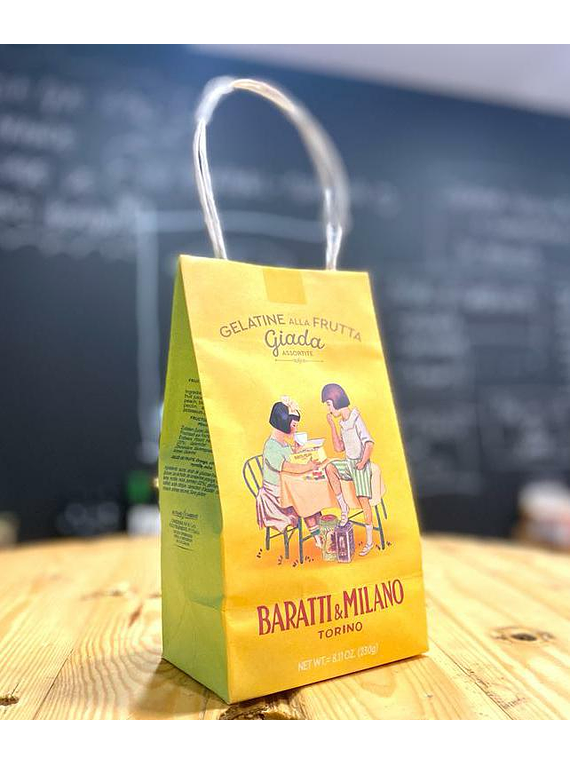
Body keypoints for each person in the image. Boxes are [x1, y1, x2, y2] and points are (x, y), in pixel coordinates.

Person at [256, 398, 323, 547]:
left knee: (310, 493)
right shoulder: (271, 447)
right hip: (275, 493)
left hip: (288, 485)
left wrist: (298, 451)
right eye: (294, 425)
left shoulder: (283, 444)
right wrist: (309, 466)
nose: (296, 429)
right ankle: (318, 538)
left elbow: (291, 458)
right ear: (283, 423)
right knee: (304, 497)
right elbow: (289, 467)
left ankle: (322, 531)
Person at [321, 383, 376, 557]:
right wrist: (332, 426)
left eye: (329, 404)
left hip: (360, 464)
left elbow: (369, 443)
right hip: (348, 463)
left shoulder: (355, 418)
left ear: (336, 400)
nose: (329, 409)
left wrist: (362, 462)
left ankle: (369, 541)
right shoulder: (343, 423)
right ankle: (343, 507)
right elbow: (338, 448)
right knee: (329, 467)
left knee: (363, 501)